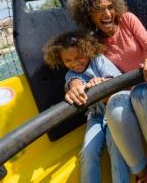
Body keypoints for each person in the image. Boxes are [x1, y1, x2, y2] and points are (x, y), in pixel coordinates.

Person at [66, 0, 147, 183]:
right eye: (98, 10)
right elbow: (79, 70)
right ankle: (144, 175)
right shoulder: (92, 42)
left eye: (110, 7)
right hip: (128, 97)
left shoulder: (128, 19)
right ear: (88, 15)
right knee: (116, 105)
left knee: (141, 92)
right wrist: (74, 85)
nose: (107, 13)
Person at [43, 30, 129, 183]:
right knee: (88, 152)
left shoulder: (98, 60)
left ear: (87, 51)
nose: (74, 63)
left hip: (114, 112)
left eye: (78, 57)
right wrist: (75, 87)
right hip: (96, 116)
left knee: (115, 146)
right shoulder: (70, 74)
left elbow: (115, 81)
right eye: (68, 60)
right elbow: (74, 81)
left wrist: (102, 84)